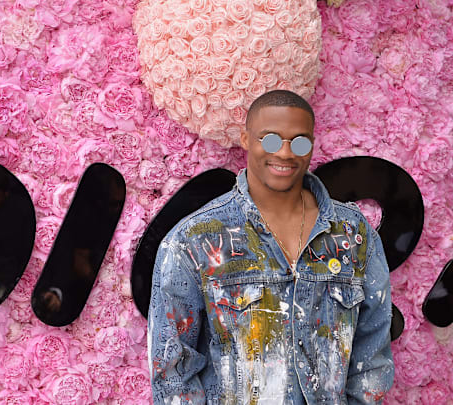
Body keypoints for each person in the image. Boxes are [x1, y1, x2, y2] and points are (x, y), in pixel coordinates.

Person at [148, 90, 394, 404]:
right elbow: (172, 370)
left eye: (300, 142)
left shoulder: (353, 234)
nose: (286, 154)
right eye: (272, 140)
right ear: (246, 139)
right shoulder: (194, 240)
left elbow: (372, 354)